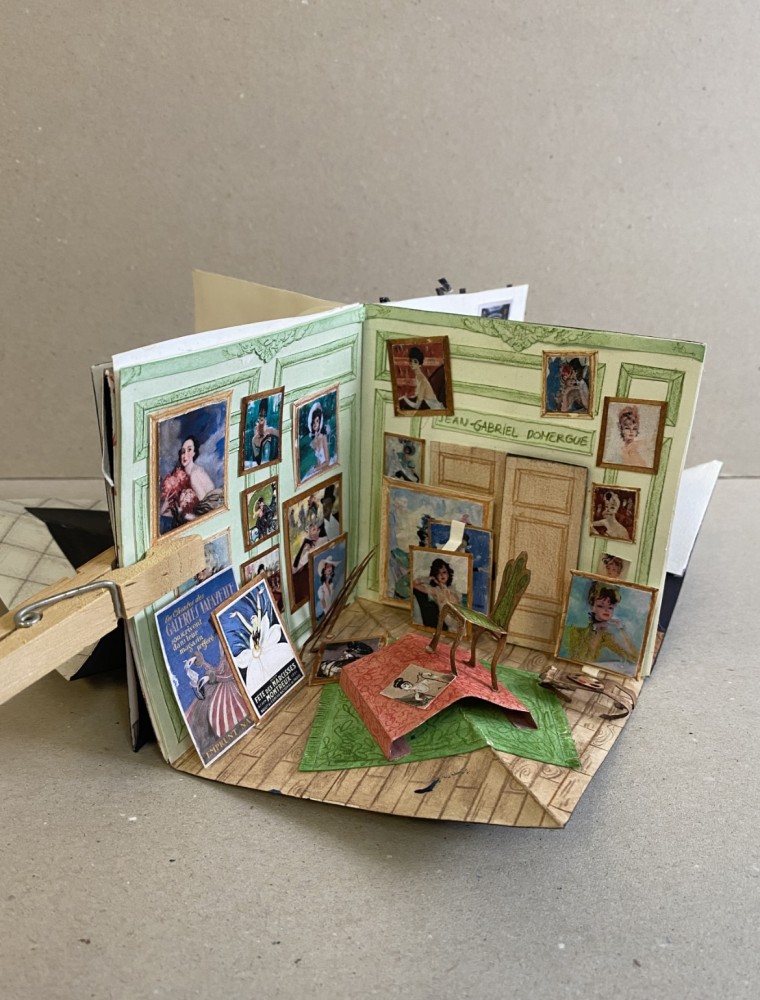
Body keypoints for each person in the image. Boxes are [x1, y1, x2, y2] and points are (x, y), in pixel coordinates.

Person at [563, 580, 639, 667]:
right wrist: (597, 630)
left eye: (610, 607)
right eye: (600, 606)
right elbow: (582, 661)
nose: (606, 610)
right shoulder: (578, 633)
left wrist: (621, 629)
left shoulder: (607, 636)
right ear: (592, 607)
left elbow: (634, 658)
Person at [159, 435, 224, 531]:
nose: (185, 455)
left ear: (194, 453)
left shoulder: (194, 476)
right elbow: (164, 514)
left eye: (189, 450)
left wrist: (184, 515)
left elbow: (206, 514)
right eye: (183, 451)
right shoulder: (183, 477)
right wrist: (166, 505)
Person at [412, 557, 461, 630]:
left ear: (448, 574)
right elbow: (414, 584)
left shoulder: (453, 589)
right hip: (444, 625)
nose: (441, 575)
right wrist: (428, 578)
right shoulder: (435, 590)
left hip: (456, 624)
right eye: (438, 573)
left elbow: (454, 602)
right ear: (435, 576)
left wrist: (443, 587)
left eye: (444, 572)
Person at [248, 398, 280, 467]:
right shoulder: (254, 437)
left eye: (263, 417)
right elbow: (257, 459)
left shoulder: (270, 430)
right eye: (260, 417)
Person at [308, 402, 330, 471]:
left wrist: (316, 469)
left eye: (317, 421)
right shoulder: (313, 441)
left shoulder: (323, 437)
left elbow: (327, 461)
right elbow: (318, 461)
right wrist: (316, 467)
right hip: (320, 469)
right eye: (313, 422)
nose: (315, 424)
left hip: (325, 469)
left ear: (320, 422)